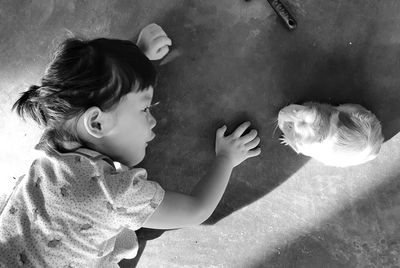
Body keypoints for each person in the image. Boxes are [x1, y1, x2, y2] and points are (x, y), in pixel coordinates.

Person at [0, 23, 261, 267]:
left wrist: (136, 62)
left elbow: (78, 88)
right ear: (97, 123)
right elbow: (197, 210)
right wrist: (226, 158)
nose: (153, 119)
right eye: (145, 108)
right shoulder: (116, 194)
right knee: (148, 228)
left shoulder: (53, 140)